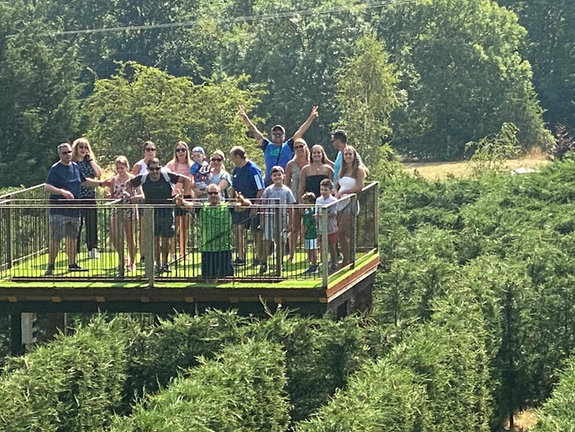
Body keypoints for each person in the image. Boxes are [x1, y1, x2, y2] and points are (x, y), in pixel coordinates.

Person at [44, 143, 108, 276]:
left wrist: (102, 183)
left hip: (74, 210)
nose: (67, 155)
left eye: (68, 152)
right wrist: (61, 192)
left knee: (72, 238)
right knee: (56, 238)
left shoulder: (75, 167)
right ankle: (50, 266)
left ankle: (72, 264)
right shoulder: (55, 168)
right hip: (59, 210)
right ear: (59, 154)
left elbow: (84, 181)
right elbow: (47, 186)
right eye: (64, 153)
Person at [126, 157, 192, 274]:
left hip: (166, 211)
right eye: (152, 169)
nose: (155, 171)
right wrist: (132, 196)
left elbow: (187, 180)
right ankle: (157, 264)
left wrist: (184, 196)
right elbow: (128, 183)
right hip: (151, 212)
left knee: (166, 239)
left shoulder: (167, 175)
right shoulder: (144, 178)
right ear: (148, 169)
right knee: (155, 240)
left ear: (160, 168)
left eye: (157, 168)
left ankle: (165, 264)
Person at [176, 184, 251, 280]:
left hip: (224, 249)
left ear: (220, 194)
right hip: (207, 249)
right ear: (207, 195)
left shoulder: (228, 207)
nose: (213, 195)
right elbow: (184, 205)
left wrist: (242, 200)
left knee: (226, 279)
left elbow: (248, 205)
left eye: (215, 193)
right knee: (208, 279)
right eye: (210, 193)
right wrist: (181, 201)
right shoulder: (202, 208)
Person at [237, 105, 319, 184]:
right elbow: (255, 132)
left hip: (285, 181)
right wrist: (245, 118)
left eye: (280, 134)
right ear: (271, 135)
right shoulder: (267, 146)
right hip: (269, 180)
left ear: (284, 135)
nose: (277, 136)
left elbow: (300, 132)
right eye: (275, 134)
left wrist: (311, 118)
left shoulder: (288, 146)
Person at [229, 146, 265, 266]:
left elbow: (260, 189)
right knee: (238, 230)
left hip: (252, 205)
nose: (231, 160)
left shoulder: (253, 169)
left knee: (256, 231)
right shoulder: (236, 170)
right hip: (239, 206)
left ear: (238, 157)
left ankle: (259, 257)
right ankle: (241, 257)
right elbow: (234, 188)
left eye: (232, 157)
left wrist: (255, 206)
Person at [259, 166, 296, 274]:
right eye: (275, 175)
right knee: (266, 241)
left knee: (281, 242)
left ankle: (280, 263)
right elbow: (263, 204)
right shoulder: (268, 190)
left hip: (283, 220)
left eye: (279, 174)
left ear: (283, 176)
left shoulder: (287, 190)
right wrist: (262, 219)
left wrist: (291, 222)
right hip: (269, 219)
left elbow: (290, 207)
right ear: (271, 177)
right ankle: (264, 263)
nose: (277, 177)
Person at [335, 146, 368, 268]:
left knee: (345, 231)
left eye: (350, 154)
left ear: (354, 156)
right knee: (340, 233)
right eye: (345, 154)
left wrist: (345, 192)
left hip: (351, 202)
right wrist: (335, 191)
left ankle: (349, 258)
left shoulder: (359, 170)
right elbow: (338, 184)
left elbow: (359, 187)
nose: (348, 156)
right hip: (340, 203)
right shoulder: (343, 169)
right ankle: (346, 257)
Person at [106, 156, 139, 272]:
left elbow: (141, 194)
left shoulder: (133, 179)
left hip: (129, 208)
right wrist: (108, 196)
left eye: (122, 168)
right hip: (117, 208)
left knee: (130, 236)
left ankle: (132, 262)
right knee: (114, 235)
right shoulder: (114, 179)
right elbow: (112, 196)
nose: (120, 170)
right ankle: (122, 257)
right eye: (118, 168)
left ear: (127, 167)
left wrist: (131, 196)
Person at [72, 138, 102, 259]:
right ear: (76, 149)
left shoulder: (88, 162)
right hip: (78, 197)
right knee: (77, 224)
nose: (83, 150)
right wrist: (100, 183)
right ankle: (75, 249)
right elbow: (81, 181)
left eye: (86, 147)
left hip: (90, 196)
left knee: (91, 223)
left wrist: (91, 160)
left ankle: (92, 248)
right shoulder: (73, 163)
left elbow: (98, 173)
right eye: (81, 147)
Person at [166, 141, 194, 259]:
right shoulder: (170, 166)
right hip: (174, 197)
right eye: (178, 150)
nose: (181, 152)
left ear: (187, 151)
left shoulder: (192, 165)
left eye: (183, 149)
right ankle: (173, 252)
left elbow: (194, 181)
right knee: (174, 226)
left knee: (185, 226)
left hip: (187, 197)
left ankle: (183, 252)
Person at [284, 138, 310, 261]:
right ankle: (292, 254)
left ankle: (311, 254)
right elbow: (287, 183)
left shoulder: (311, 162)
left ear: (306, 147)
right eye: (296, 147)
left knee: (310, 227)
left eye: (301, 146)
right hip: (294, 199)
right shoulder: (291, 164)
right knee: (294, 228)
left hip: (309, 200)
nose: (299, 149)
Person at [132, 141, 158, 263]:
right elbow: (132, 181)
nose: (150, 151)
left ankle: (154, 253)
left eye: (152, 149)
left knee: (156, 228)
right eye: (148, 149)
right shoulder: (139, 165)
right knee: (143, 228)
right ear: (144, 151)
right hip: (143, 199)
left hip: (156, 199)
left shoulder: (157, 165)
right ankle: (143, 254)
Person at [316, 178, 339, 272]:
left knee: (332, 246)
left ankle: (334, 263)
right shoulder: (318, 200)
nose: (323, 192)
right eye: (322, 189)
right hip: (321, 227)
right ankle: (324, 264)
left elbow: (334, 213)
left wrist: (323, 215)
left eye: (325, 190)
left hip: (330, 227)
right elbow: (317, 212)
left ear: (330, 190)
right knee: (322, 246)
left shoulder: (333, 200)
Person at [301, 192, 318, 274]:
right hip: (312, 233)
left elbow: (306, 224)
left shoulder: (309, 212)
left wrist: (303, 233)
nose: (304, 204)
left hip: (310, 234)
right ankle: (312, 264)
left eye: (306, 203)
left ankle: (313, 265)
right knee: (311, 248)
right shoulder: (312, 210)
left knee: (312, 249)